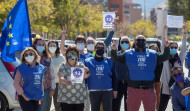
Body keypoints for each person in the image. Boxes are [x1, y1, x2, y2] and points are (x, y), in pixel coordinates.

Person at [111, 35, 170, 111]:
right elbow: (115, 58)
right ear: (135, 42)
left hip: (149, 89)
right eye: (138, 40)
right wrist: (113, 50)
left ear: (145, 43)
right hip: (133, 89)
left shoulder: (153, 54)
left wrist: (167, 47)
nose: (140, 42)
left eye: (142, 40)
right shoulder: (128, 54)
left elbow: (165, 57)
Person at [159, 24, 187, 111]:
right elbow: (163, 45)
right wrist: (164, 31)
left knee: (176, 108)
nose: (174, 48)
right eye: (172, 47)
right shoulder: (165, 57)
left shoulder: (180, 58)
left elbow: (183, 47)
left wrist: (185, 32)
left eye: (175, 47)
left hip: (178, 86)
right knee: (162, 107)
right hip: (166, 85)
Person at [84, 41, 117, 111]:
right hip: (93, 91)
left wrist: (115, 89)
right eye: (98, 47)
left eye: (102, 48)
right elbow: (84, 77)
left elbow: (114, 76)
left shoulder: (109, 61)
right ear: (94, 49)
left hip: (107, 91)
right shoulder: (87, 61)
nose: (100, 49)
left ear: (104, 49)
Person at [57, 45, 90, 111]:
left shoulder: (81, 65)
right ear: (66, 55)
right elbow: (61, 78)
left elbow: (86, 76)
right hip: (66, 98)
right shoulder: (62, 65)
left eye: (74, 53)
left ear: (77, 55)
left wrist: (87, 71)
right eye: (70, 52)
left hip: (79, 97)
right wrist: (66, 81)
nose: (72, 54)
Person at [32, 38, 56, 111]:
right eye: (39, 44)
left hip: (45, 89)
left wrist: (52, 88)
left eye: (43, 45)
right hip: (32, 88)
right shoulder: (30, 57)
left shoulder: (48, 58)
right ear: (35, 45)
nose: (41, 46)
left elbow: (52, 73)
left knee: (42, 109)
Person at [112, 36, 130, 111]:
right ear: (120, 44)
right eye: (123, 42)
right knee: (115, 106)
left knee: (129, 107)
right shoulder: (116, 55)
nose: (124, 43)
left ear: (130, 44)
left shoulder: (133, 55)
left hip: (129, 83)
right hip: (117, 84)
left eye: (126, 42)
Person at [47, 40, 66, 111]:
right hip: (47, 85)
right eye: (50, 46)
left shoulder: (60, 58)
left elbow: (65, 69)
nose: (52, 47)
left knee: (58, 105)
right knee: (47, 105)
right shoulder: (45, 58)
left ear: (56, 47)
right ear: (47, 47)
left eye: (54, 46)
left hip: (58, 84)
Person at [148, 44, 163, 110]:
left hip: (158, 81)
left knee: (157, 97)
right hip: (149, 81)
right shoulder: (147, 59)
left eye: (155, 49)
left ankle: (157, 109)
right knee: (149, 98)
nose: (153, 50)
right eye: (151, 49)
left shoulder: (160, 58)